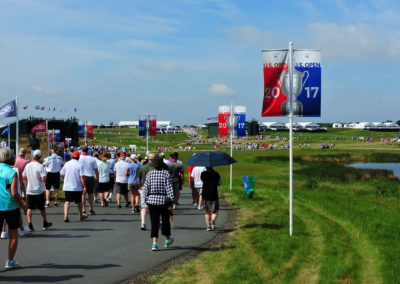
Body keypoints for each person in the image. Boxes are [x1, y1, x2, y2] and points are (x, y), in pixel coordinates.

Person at [0, 148, 26, 269]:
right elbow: (14, 193)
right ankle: (10, 261)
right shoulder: (12, 172)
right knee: (14, 234)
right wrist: (23, 205)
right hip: (11, 207)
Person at [143, 155, 175, 251]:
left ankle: (154, 243)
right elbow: (169, 189)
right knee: (165, 221)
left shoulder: (150, 173)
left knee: (154, 222)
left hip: (152, 200)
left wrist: (146, 200)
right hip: (163, 200)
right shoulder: (166, 173)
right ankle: (167, 239)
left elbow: (145, 189)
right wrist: (171, 202)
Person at [22, 150, 52, 232]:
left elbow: (24, 176)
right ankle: (45, 222)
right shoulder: (40, 166)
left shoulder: (28, 165)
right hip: (38, 190)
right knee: (42, 208)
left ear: (33, 156)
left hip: (30, 189)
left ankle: (30, 224)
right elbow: (43, 179)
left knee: (29, 208)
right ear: (40, 157)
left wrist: (30, 178)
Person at [60, 151, 88, 222]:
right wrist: (84, 186)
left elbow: (62, 173)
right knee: (79, 202)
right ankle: (80, 215)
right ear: (78, 157)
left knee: (67, 201)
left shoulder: (67, 164)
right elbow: (82, 177)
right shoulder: (80, 165)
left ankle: (66, 215)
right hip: (77, 186)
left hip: (67, 186)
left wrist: (65, 179)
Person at [78, 145, 99, 215]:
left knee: (83, 194)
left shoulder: (79, 158)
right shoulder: (92, 158)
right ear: (88, 151)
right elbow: (96, 170)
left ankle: (83, 209)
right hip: (90, 177)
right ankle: (91, 209)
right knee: (90, 194)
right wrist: (97, 178)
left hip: (82, 177)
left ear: (82, 150)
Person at [137, 154, 155, 230]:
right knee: (154, 207)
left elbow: (138, 178)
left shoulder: (142, 167)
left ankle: (143, 223)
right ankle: (155, 222)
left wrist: (140, 185)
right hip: (153, 188)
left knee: (144, 207)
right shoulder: (155, 168)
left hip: (144, 187)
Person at [200, 167, 221, 231]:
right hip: (214, 194)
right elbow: (219, 183)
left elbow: (202, 180)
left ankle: (208, 226)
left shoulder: (203, 174)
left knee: (207, 211)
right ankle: (213, 220)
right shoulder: (216, 174)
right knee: (215, 210)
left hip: (205, 194)